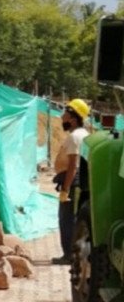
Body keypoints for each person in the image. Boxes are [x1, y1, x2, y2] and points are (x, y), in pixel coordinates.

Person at [52, 98, 90, 265]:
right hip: (77, 182)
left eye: (65, 114)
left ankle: (68, 256)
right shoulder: (84, 135)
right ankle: (73, 254)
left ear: (73, 119)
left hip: (72, 182)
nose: (62, 117)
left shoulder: (75, 137)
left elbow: (73, 165)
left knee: (66, 220)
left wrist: (66, 189)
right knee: (73, 220)